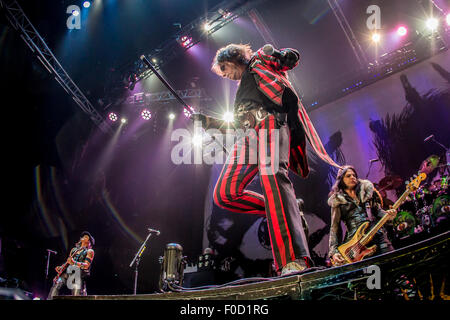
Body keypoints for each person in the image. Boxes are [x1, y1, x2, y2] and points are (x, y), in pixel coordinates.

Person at [193, 43, 341, 275]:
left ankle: (293, 258)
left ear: (232, 59)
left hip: (271, 125)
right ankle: (279, 209)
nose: (226, 76)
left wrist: (285, 56)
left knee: (272, 176)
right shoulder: (242, 89)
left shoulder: (259, 60)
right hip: (249, 135)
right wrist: (209, 122)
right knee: (225, 193)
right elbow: (239, 124)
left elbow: (286, 58)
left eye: (225, 69)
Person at [327, 165, 396, 266]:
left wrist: (389, 215)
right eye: (348, 175)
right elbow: (335, 228)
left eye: (354, 175)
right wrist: (334, 252)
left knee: (394, 266)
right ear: (341, 180)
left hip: (377, 235)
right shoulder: (337, 201)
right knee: (372, 278)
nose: (352, 177)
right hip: (356, 245)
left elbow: (378, 212)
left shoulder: (366, 192)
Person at [47, 231, 95, 299]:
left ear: (89, 242)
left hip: (78, 274)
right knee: (56, 284)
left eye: (86, 237)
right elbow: (68, 262)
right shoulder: (74, 250)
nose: (84, 237)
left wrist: (74, 263)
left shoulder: (90, 251)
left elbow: (86, 265)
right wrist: (61, 268)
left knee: (75, 293)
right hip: (68, 273)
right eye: (83, 236)